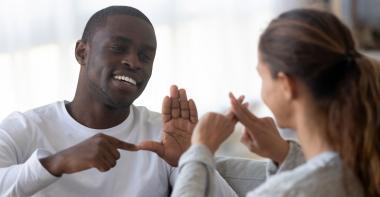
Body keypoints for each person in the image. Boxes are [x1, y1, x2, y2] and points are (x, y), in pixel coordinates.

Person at [0, 6, 236, 197]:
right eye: (118, 48)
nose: (134, 62)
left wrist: (191, 158)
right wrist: (56, 163)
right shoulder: (23, 129)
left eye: (146, 56)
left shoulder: (163, 134)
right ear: (82, 52)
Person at [171, 8, 380, 197]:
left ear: (286, 84)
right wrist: (285, 154)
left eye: (261, 76)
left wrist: (200, 149)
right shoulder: (363, 166)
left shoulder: (286, 191)